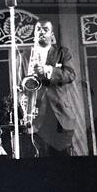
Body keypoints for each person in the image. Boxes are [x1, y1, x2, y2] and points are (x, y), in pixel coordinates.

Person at [21, 20, 76, 157]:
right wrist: (23, 100)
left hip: (60, 114)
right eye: (38, 29)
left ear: (51, 34)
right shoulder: (26, 55)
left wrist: (48, 70)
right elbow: (20, 83)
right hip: (37, 114)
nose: (41, 32)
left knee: (64, 156)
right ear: (34, 33)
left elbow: (70, 75)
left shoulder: (62, 52)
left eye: (45, 29)